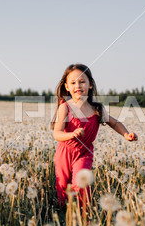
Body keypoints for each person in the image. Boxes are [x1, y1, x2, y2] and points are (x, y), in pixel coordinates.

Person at [50, 63, 138, 210]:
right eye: (73, 82)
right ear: (67, 87)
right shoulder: (65, 107)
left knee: (81, 183)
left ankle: (84, 215)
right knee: (63, 186)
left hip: (84, 153)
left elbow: (114, 123)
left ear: (90, 84)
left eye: (82, 81)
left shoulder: (97, 109)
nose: (78, 85)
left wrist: (126, 134)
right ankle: (63, 215)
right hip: (65, 152)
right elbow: (57, 133)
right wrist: (71, 134)